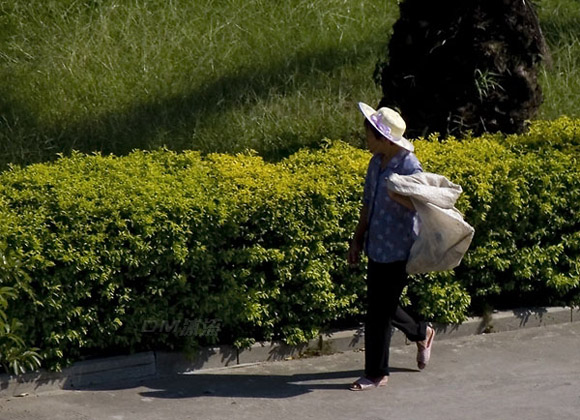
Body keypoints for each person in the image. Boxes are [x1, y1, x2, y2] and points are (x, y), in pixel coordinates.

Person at [347, 102, 435, 391]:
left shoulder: (409, 164)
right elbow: (367, 205)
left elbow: (423, 203)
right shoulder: (375, 164)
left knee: (379, 312)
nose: (366, 142)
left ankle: (376, 373)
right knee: (381, 307)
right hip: (376, 246)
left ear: (384, 138)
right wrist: (357, 239)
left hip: (399, 247)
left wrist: (398, 197)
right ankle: (422, 332)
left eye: (369, 137)